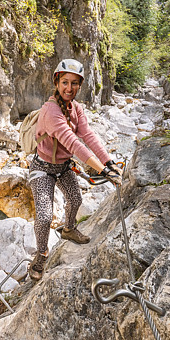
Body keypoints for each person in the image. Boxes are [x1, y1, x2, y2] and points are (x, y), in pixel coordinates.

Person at [27, 58, 122, 281]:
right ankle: (41, 256)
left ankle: (68, 229)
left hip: (64, 166)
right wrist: (102, 171)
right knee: (43, 216)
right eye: (65, 82)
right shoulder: (51, 111)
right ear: (57, 83)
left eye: (75, 83)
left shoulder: (75, 108)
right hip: (42, 168)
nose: (69, 88)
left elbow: (88, 135)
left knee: (76, 200)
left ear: (80, 85)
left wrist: (108, 163)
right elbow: (74, 143)